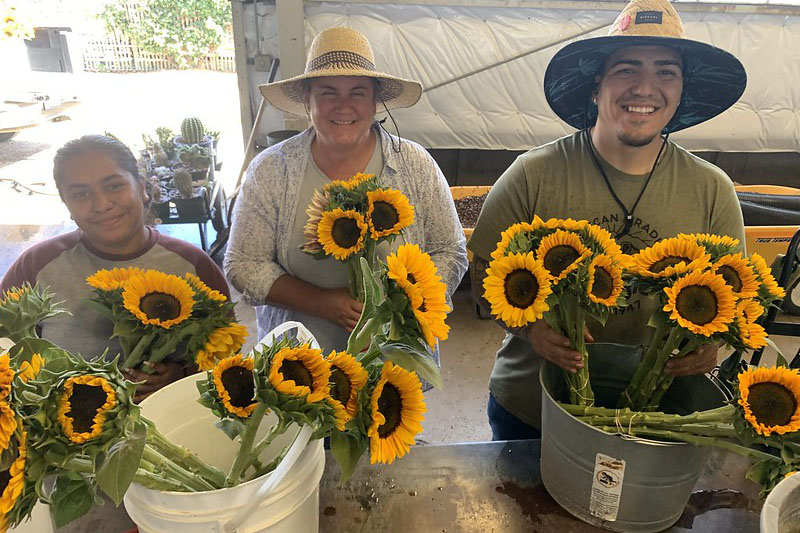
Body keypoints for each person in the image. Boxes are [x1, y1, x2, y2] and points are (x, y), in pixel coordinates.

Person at [468, 0, 747, 440]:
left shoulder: (712, 191)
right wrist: (531, 328)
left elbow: (737, 297)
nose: (645, 88)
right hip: (531, 410)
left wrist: (713, 344)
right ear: (596, 87)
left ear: (681, 92)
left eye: (665, 72)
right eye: (627, 70)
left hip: (653, 415)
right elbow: (484, 275)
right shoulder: (533, 175)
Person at [225, 27, 467, 353]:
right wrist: (323, 303)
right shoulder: (270, 171)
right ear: (307, 100)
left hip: (392, 364)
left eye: (357, 92)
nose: (343, 106)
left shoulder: (415, 165)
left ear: (375, 102)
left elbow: (450, 252)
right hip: (297, 366)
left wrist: (395, 309)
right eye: (328, 92)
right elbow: (243, 265)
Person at [1, 134, 231, 400]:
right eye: (81, 194)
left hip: (173, 425)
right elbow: (6, 350)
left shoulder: (192, 265)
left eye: (113, 186)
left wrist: (182, 374)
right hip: (65, 433)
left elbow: (224, 356)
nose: (102, 205)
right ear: (67, 204)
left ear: (142, 188)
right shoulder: (36, 267)